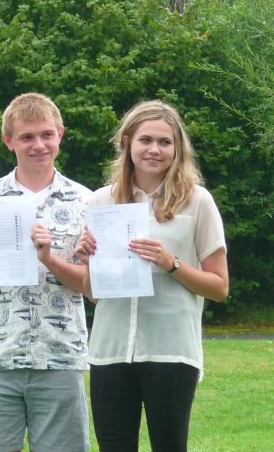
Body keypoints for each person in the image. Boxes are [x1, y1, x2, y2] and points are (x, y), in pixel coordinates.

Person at [74, 100, 229, 452]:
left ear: (178, 149)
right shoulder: (101, 202)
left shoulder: (197, 202)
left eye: (165, 142)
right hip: (109, 351)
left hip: (171, 350)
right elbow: (93, 292)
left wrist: (171, 263)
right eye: (145, 140)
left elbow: (219, 287)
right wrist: (87, 261)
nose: (154, 150)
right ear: (127, 142)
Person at [0, 93, 92, 452]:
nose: (38, 145)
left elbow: (93, 289)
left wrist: (49, 259)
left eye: (47, 134)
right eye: (27, 137)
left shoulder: (85, 202)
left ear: (60, 134)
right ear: (8, 141)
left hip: (60, 354)